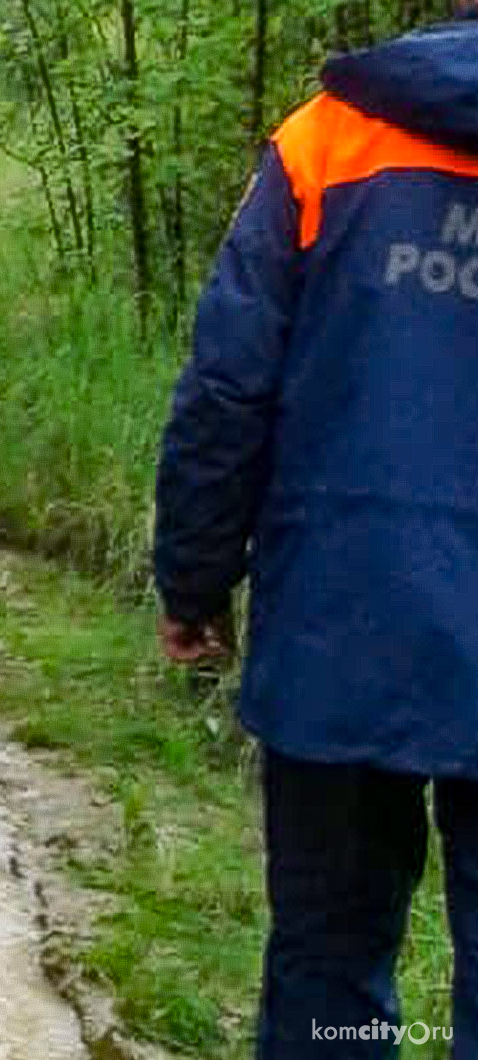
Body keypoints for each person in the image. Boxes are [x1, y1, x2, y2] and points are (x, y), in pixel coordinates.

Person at [153, 6, 478, 1056]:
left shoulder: (328, 138)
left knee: (330, 965)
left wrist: (194, 583)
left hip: (344, 625)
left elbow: (226, 389)